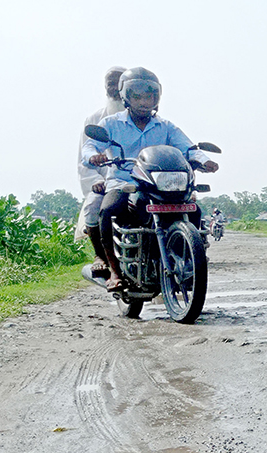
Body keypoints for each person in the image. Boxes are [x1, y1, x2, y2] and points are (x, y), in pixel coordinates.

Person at [81, 67, 218, 290]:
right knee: (107, 211)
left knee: (194, 210)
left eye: (150, 96)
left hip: (159, 184)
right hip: (125, 182)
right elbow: (90, 146)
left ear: (157, 98)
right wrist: (93, 156)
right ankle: (114, 271)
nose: (144, 101)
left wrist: (203, 161)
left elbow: (189, 147)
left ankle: (190, 258)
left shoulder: (166, 127)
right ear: (126, 96)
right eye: (138, 96)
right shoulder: (111, 124)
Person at [76, 66, 125, 271]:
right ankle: (101, 256)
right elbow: (84, 158)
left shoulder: (143, 116)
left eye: (118, 83)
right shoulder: (94, 120)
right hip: (107, 182)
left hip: (141, 180)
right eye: (110, 84)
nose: (114, 88)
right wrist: (96, 181)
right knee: (95, 206)